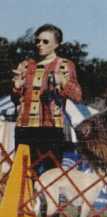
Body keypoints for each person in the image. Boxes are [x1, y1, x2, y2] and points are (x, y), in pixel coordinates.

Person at [11, 24, 82, 174]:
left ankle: (47, 199)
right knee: (23, 175)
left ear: (57, 44)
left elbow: (77, 96)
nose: (39, 45)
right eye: (37, 41)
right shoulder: (25, 65)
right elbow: (15, 100)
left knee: (50, 177)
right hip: (24, 127)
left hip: (51, 128)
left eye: (45, 41)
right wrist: (17, 87)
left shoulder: (65, 65)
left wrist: (62, 82)